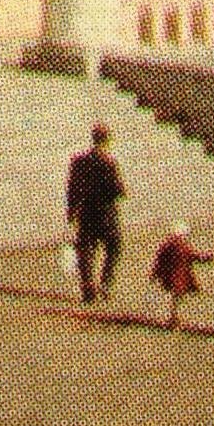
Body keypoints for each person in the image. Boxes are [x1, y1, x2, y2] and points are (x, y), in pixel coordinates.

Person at [66, 123, 125, 304]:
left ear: (93, 138)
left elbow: (72, 188)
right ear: (106, 140)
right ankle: (105, 283)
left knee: (85, 250)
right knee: (114, 247)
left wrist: (71, 211)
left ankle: (88, 288)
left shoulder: (78, 161)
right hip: (106, 213)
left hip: (86, 212)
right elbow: (118, 190)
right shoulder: (109, 162)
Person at [150, 220, 203, 329]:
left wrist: (155, 273)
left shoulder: (170, 244)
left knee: (176, 298)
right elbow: (194, 256)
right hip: (177, 276)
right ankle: (173, 318)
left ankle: (173, 318)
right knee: (176, 298)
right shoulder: (179, 245)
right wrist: (210, 256)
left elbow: (159, 258)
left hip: (173, 275)